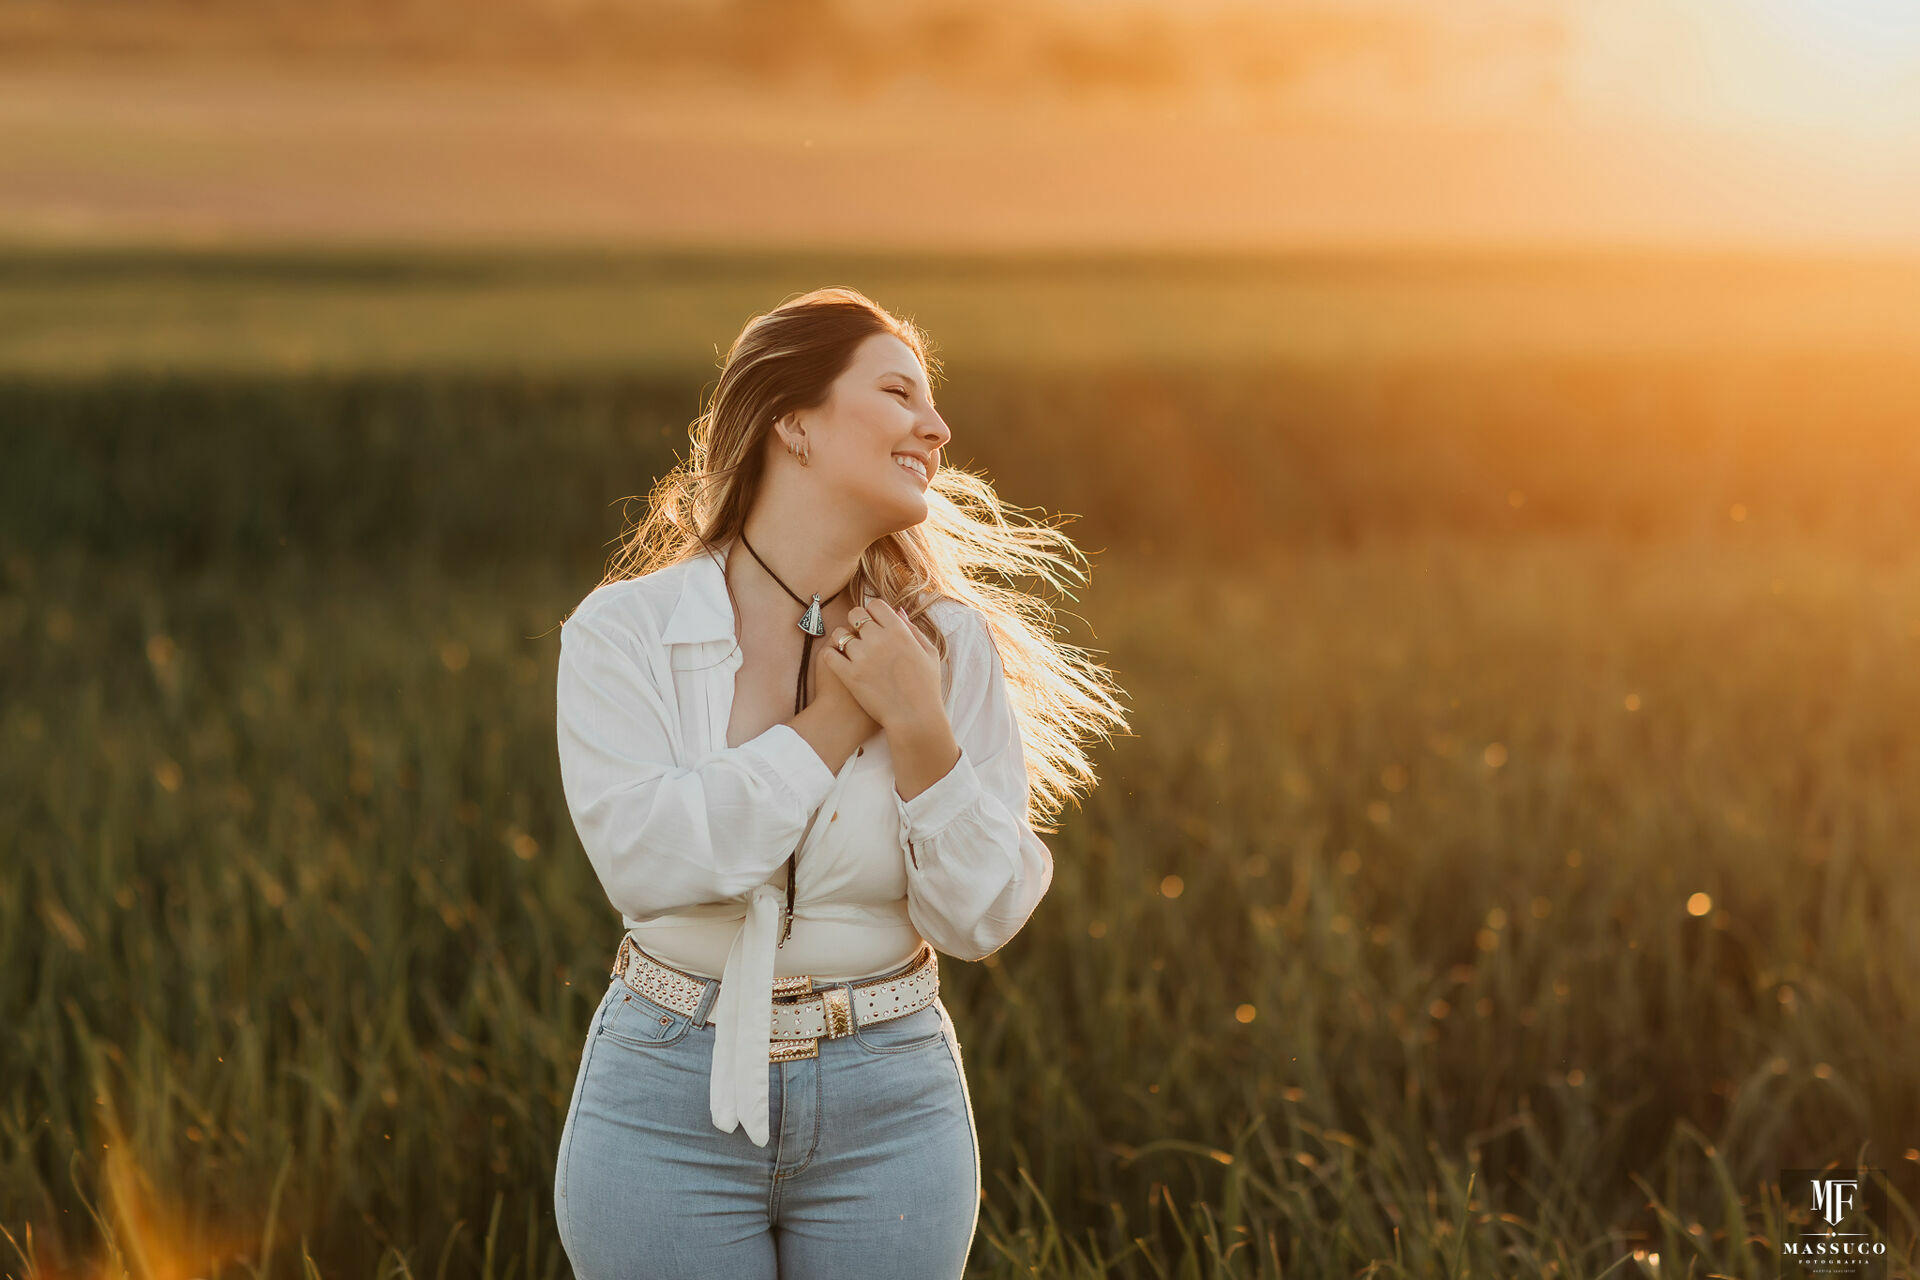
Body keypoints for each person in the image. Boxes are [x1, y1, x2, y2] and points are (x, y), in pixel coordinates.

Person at [550, 286, 1129, 1278]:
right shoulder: (623, 631)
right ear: (795, 422)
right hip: (664, 1094)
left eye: (933, 402)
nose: (937, 426)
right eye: (900, 391)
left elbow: (981, 912)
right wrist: (840, 719)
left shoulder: (945, 645)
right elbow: (649, 862)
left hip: (891, 1100)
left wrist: (920, 725)